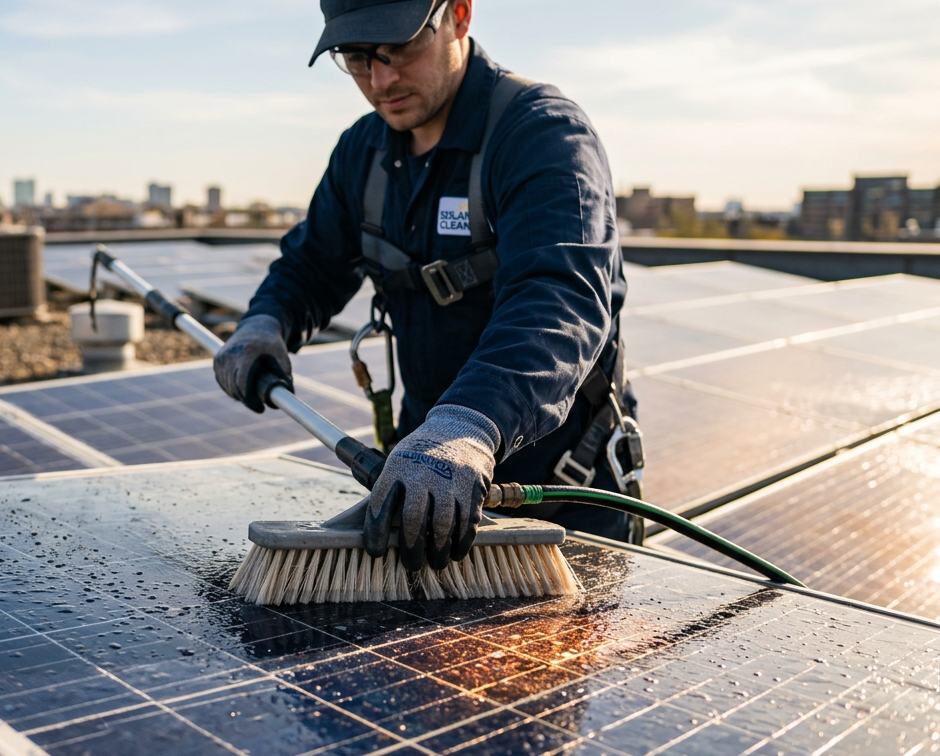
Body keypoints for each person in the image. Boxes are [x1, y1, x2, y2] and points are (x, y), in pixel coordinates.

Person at [214, 0, 643, 572]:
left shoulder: (541, 135)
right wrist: (266, 322)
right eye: (358, 58)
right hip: (428, 491)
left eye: (399, 49)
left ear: (460, 16)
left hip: (563, 498)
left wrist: (466, 425)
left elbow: (557, 300)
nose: (380, 79)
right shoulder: (362, 153)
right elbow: (310, 267)